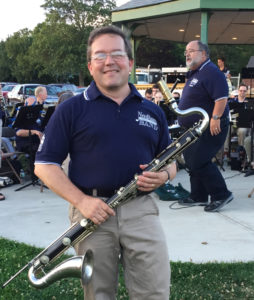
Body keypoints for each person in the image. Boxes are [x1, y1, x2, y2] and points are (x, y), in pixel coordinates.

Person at [34, 25, 176, 300]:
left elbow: (170, 161)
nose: (109, 62)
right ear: (90, 65)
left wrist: (165, 176)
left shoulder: (153, 110)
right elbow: (44, 165)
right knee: (98, 294)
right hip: (91, 214)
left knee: (155, 292)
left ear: (130, 62)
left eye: (116, 54)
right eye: (100, 56)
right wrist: (82, 202)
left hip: (141, 210)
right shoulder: (71, 109)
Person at [178, 40, 233, 212]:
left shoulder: (212, 72)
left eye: (191, 51)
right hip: (195, 127)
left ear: (203, 54)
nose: (187, 54)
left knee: (199, 160)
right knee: (190, 160)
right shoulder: (195, 72)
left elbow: (221, 98)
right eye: (186, 51)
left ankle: (221, 194)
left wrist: (215, 117)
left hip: (211, 125)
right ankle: (198, 195)